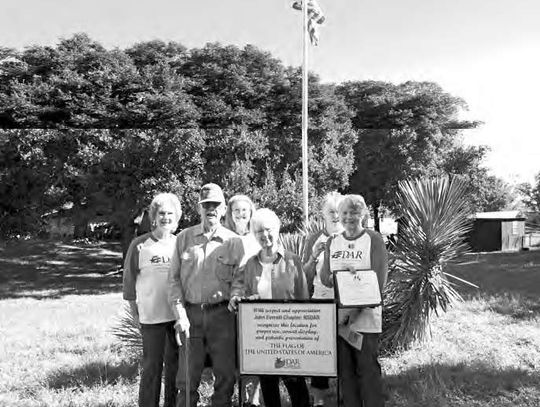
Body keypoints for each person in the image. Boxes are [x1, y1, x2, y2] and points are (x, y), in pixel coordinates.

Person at [168, 183, 245, 407]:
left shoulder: (234, 242)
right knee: (186, 377)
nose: (211, 209)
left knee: (225, 375)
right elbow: (173, 279)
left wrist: (236, 295)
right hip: (190, 316)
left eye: (215, 205)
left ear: (223, 209)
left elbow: (240, 279)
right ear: (199, 209)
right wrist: (179, 314)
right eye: (206, 205)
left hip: (223, 315)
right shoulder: (184, 238)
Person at [230, 208, 310, 407]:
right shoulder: (250, 264)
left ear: (277, 229)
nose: (264, 235)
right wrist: (243, 299)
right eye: (259, 232)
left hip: (290, 335)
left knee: (296, 387)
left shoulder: (293, 260)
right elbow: (244, 294)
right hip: (263, 337)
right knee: (268, 387)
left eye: (268, 230)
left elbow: (303, 298)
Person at [320, 194, 388, 407]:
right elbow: (325, 278)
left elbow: (379, 282)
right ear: (339, 215)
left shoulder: (374, 239)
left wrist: (352, 313)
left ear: (363, 215)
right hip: (339, 319)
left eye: (355, 212)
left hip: (365, 319)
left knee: (367, 371)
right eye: (345, 213)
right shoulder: (333, 241)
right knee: (346, 374)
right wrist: (333, 277)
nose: (349, 217)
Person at [122, 192, 182, 407]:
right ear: (154, 217)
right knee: (152, 367)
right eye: (162, 213)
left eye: (170, 213)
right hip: (151, 317)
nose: (166, 217)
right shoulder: (140, 245)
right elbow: (129, 281)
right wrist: (134, 312)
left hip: (176, 318)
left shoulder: (180, 244)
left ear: (177, 217)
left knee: (175, 368)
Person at [302, 192, 344, 407]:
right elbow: (305, 276)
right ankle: (318, 398)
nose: (335, 216)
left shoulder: (352, 236)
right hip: (320, 302)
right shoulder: (314, 239)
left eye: (339, 211)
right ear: (323, 214)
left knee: (345, 351)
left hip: (347, 304)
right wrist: (312, 258)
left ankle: (347, 395)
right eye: (331, 212)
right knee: (320, 353)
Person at [223, 194, 262, 407]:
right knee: (232, 353)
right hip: (227, 302)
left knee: (252, 350)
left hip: (252, 299)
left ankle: (252, 399)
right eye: (236, 210)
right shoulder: (224, 236)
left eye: (244, 210)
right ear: (230, 213)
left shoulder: (257, 235)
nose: (240, 214)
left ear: (250, 212)